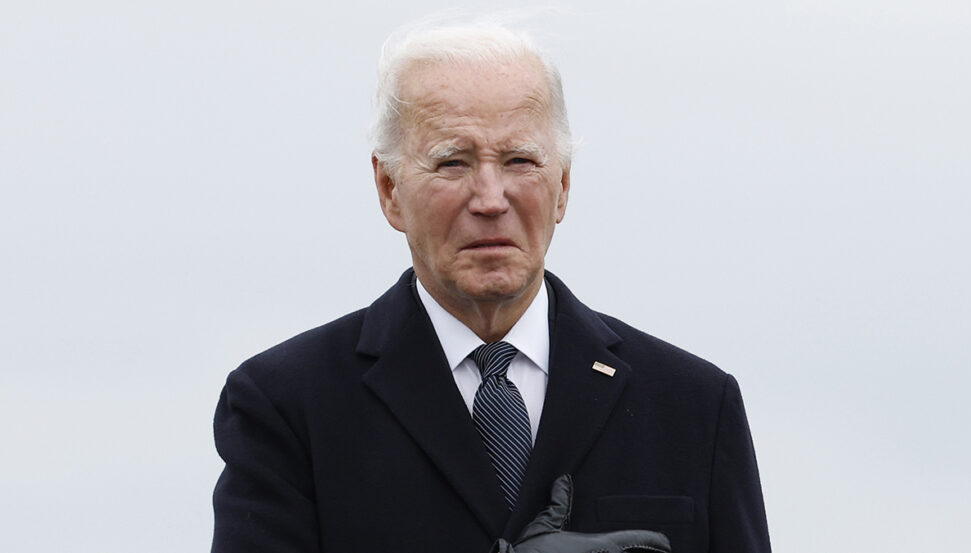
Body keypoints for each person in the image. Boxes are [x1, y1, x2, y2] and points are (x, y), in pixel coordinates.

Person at [212, 21, 771, 553]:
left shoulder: (693, 407)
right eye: (452, 162)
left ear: (563, 187)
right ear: (389, 188)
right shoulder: (287, 406)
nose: (489, 198)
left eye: (520, 160)